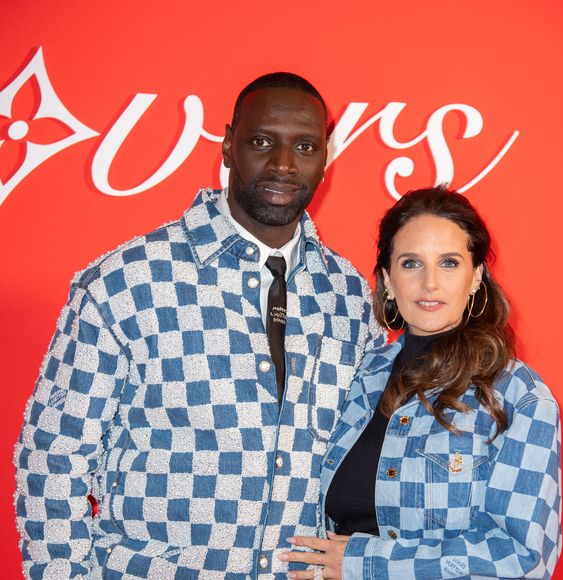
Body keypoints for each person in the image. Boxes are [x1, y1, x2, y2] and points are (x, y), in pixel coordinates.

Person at [14, 72, 382, 579]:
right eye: (260, 142)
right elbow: (54, 459)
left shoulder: (348, 294)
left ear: (325, 157)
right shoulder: (127, 282)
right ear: (228, 146)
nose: (283, 164)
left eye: (304, 146)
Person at [281, 186, 561, 579]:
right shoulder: (357, 378)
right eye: (411, 263)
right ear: (388, 280)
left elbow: (522, 557)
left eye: (449, 263)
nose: (430, 283)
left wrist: (367, 563)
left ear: (476, 277)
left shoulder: (518, 396)